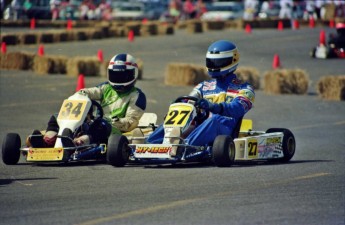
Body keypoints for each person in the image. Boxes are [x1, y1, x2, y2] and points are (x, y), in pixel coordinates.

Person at [147, 40, 255, 150]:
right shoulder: (203, 86)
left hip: (225, 129)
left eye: (218, 62)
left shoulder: (244, 88)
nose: (214, 66)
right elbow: (187, 103)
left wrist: (214, 107)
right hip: (200, 127)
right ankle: (149, 144)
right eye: (211, 62)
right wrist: (178, 108)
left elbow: (238, 109)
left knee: (214, 119)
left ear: (233, 60)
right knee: (173, 121)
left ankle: (183, 147)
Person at [28, 53, 146, 147]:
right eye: (115, 75)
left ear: (133, 75)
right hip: (96, 123)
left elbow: (131, 122)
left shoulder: (136, 95)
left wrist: (115, 121)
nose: (118, 79)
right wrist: (80, 95)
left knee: (100, 125)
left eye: (122, 76)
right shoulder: (106, 88)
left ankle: (79, 142)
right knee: (57, 117)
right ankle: (49, 139)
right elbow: (90, 92)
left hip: (114, 130)